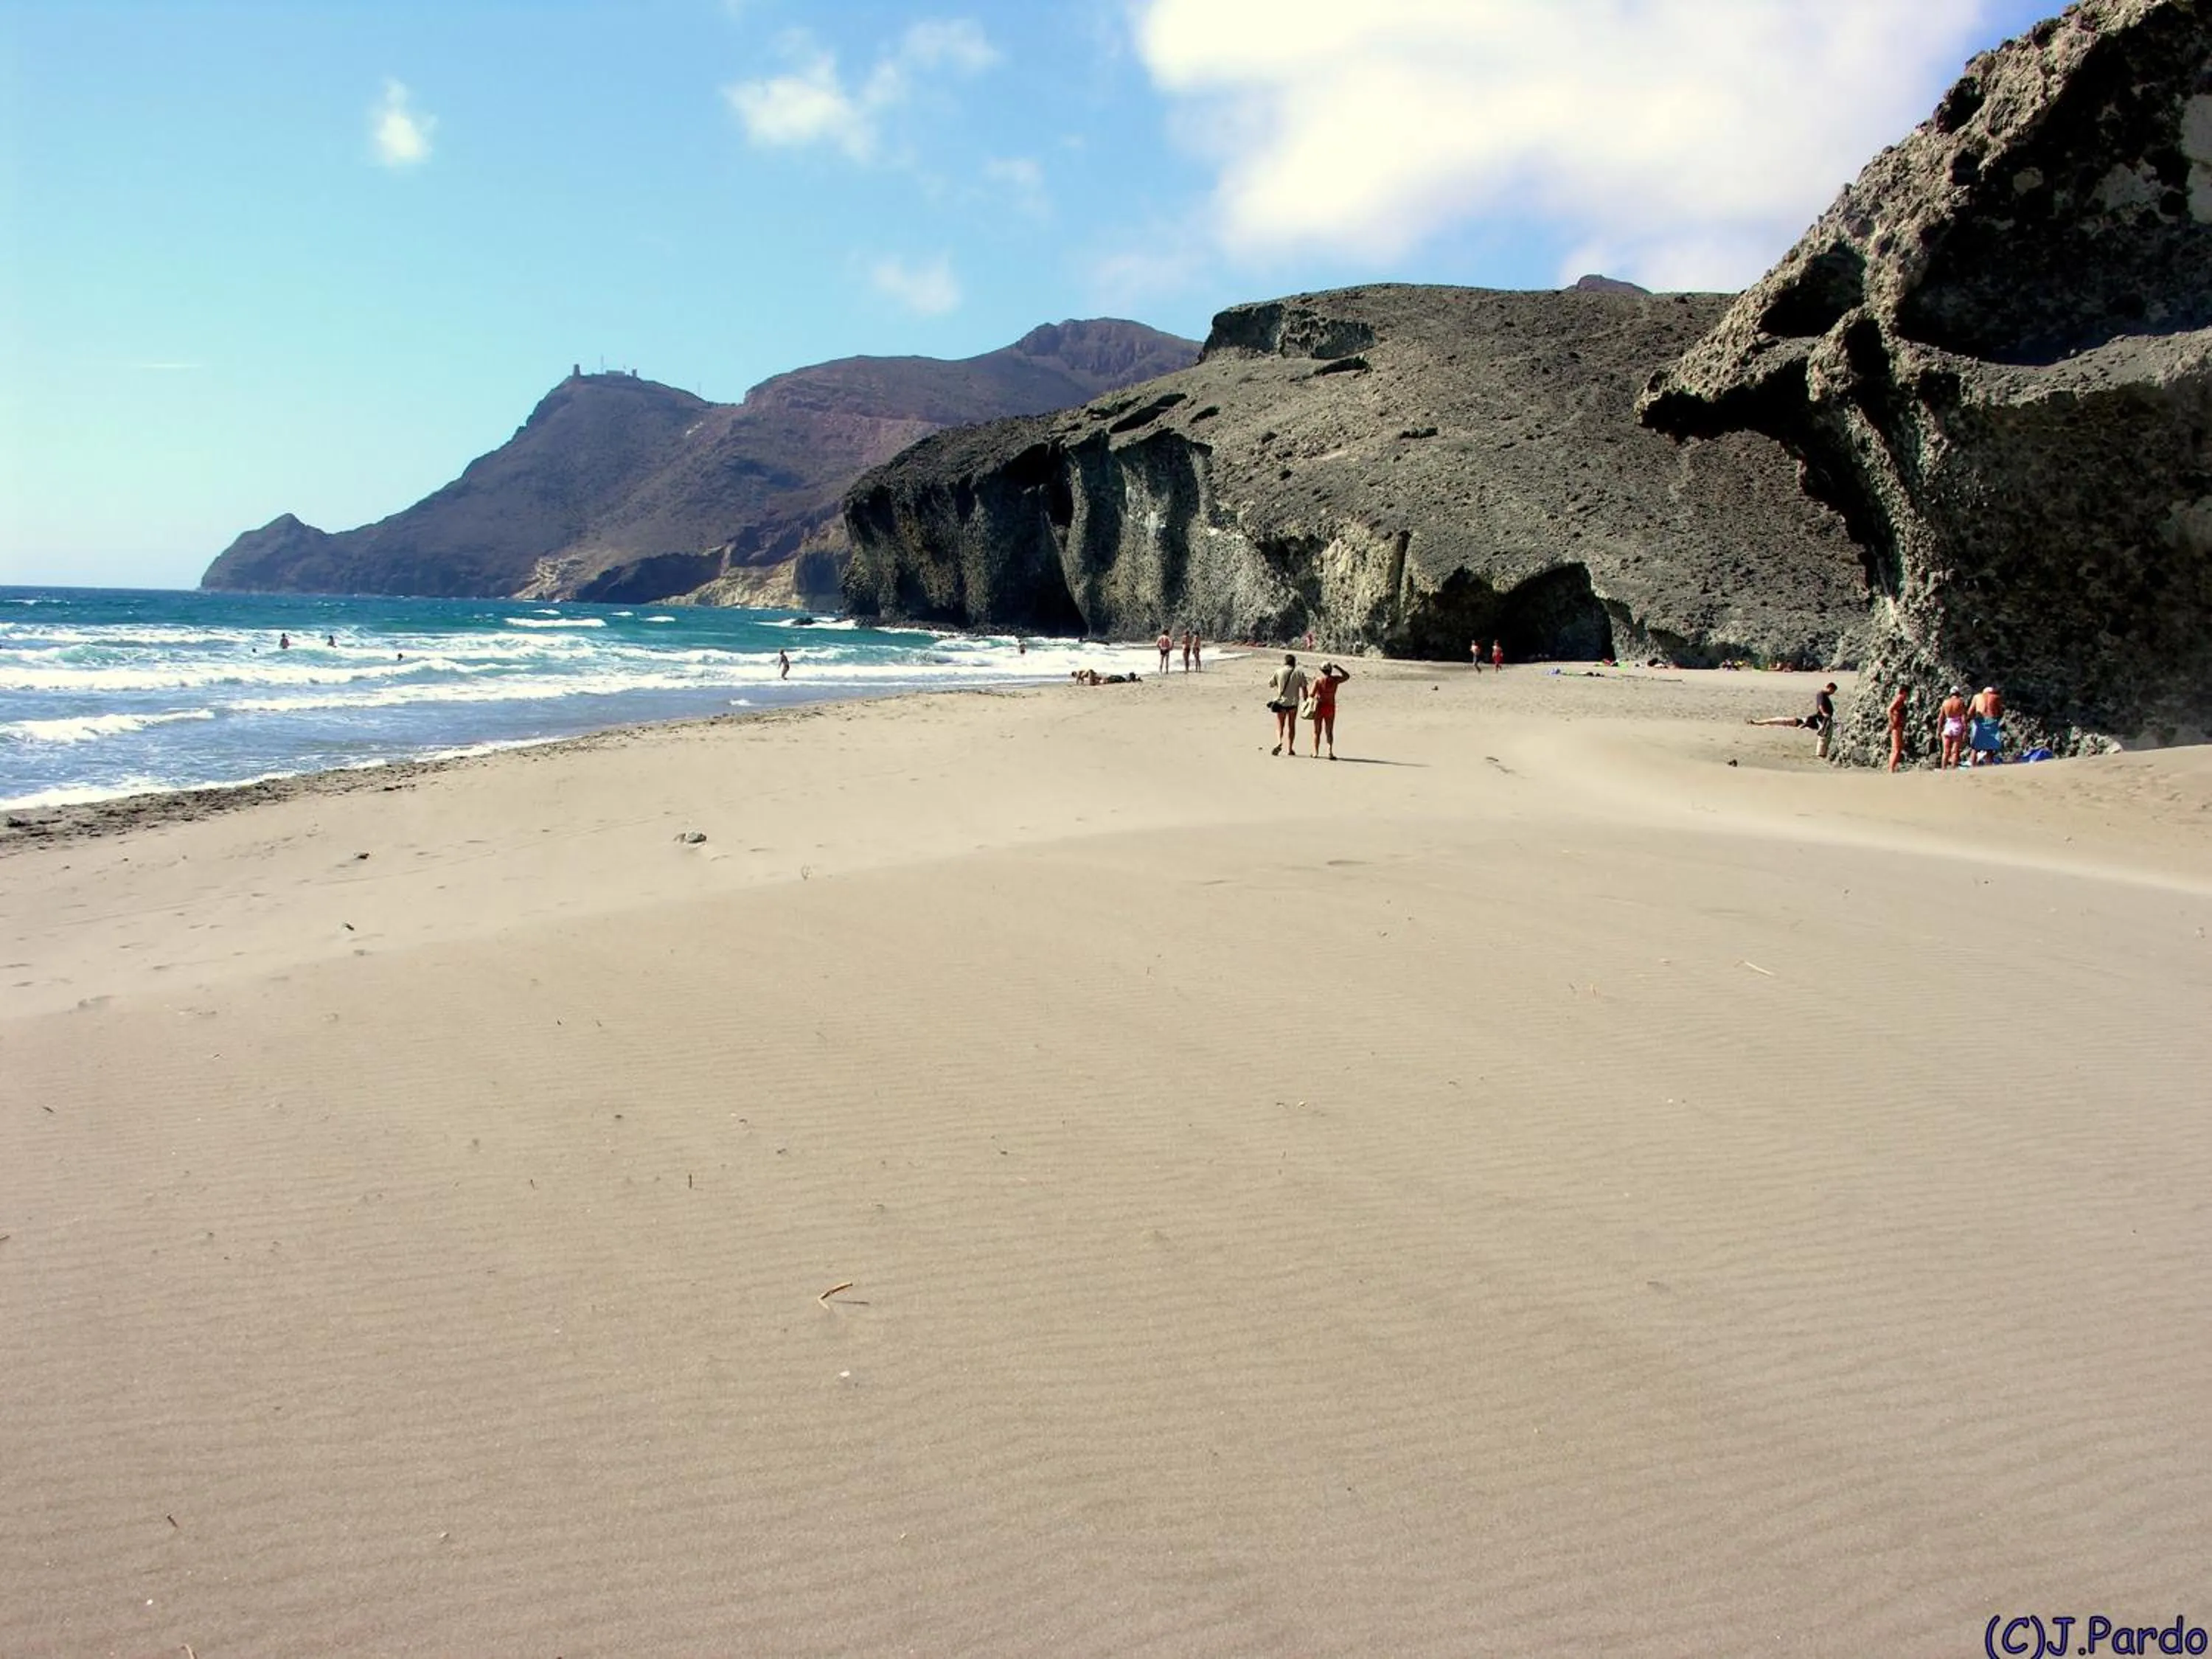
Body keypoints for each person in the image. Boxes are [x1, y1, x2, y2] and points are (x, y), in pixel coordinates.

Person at [1305, 661, 1351, 759]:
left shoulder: (1318, 680)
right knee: (1329, 730)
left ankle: (1315, 752)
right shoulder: (1335, 680)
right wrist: (1338, 667)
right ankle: (1330, 751)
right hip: (1330, 706)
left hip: (1319, 706)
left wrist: (1315, 696)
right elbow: (1347, 676)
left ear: (1322, 670)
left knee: (1317, 731)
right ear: (1330, 670)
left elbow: (1311, 694)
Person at [1267, 653, 1309, 756]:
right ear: (1294, 662)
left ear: (1285, 662)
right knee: (1292, 726)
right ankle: (1290, 749)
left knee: (1280, 725)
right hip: (1293, 703)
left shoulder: (1279, 671)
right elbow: (1304, 689)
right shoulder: (1299, 673)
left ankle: (1279, 742)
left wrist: (1280, 684)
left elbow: (1270, 684)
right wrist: (1306, 701)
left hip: (1281, 702)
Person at [1968, 685, 2004, 765]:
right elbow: (2000, 712)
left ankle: (1972, 766)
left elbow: (1970, 712)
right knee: (1990, 748)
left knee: (1975, 747)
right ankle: (1988, 766)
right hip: (1992, 721)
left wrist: (1974, 719)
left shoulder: (1977, 697)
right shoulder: (1996, 697)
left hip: (1980, 721)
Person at [1938, 687, 1970, 769]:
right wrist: (1966, 730)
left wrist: (1939, 730)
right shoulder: (1960, 702)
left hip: (1948, 726)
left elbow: (1941, 717)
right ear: (1958, 693)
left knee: (1946, 751)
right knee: (1955, 751)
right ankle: (1952, 769)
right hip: (1957, 726)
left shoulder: (1945, 702)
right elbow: (1963, 717)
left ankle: (1943, 768)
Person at [1813, 681, 1837, 760]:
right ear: (1829, 688)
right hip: (1823, 718)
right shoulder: (1821, 695)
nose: (1832, 693)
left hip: (1827, 718)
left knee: (1827, 735)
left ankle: (1823, 753)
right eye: (1832, 691)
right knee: (1823, 735)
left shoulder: (1825, 696)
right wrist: (1824, 713)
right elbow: (1820, 705)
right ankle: (1820, 754)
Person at [1887, 686, 1908, 773]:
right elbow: (1889, 710)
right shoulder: (1899, 699)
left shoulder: (1900, 700)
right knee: (1897, 749)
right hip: (1897, 726)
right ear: (1903, 692)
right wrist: (1892, 721)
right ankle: (1891, 769)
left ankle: (1892, 768)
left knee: (1896, 748)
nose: (1907, 696)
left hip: (1898, 726)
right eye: (1907, 693)